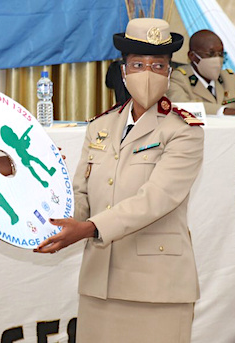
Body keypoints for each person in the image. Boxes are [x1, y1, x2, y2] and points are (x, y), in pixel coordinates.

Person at [35, 18, 204, 342]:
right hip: (101, 284)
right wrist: (51, 218)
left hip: (157, 286)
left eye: (158, 65)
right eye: (138, 64)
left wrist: (88, 229)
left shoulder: (183, 131)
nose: (147, 73)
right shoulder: (100, 126)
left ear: (170, 73)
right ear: (123, 71)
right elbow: (80, 193)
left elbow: (155, 199)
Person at [168, 29, 235, 115]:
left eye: (221, 54)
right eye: (211, 54)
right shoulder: (178, 78)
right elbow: (181, 106)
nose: (217, 59)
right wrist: (229, 111)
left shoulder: (228, 78)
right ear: (192, 56)